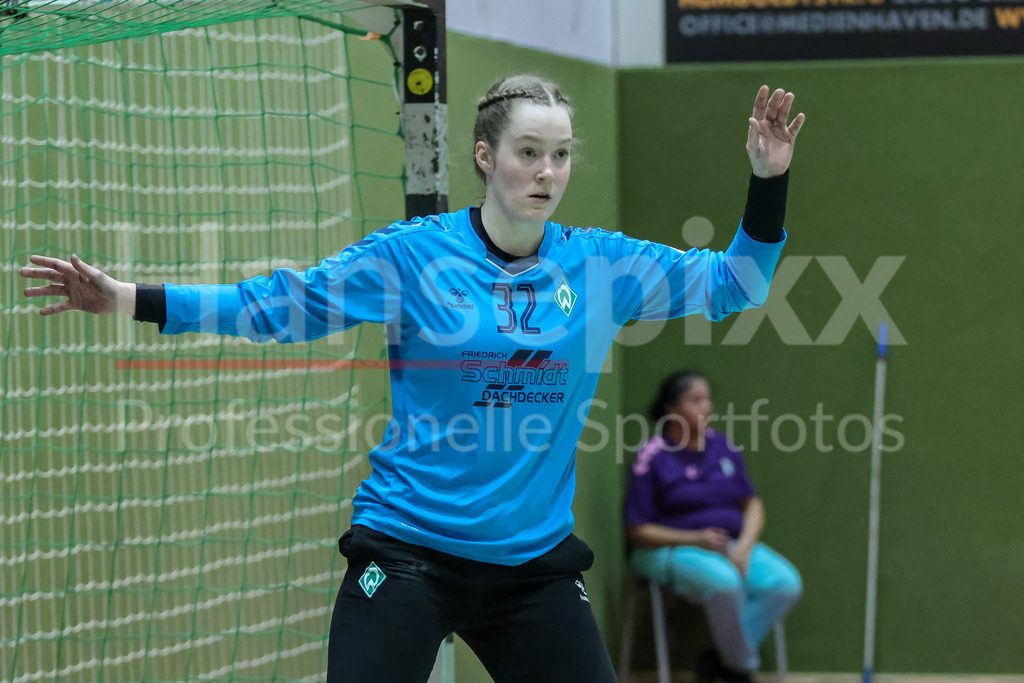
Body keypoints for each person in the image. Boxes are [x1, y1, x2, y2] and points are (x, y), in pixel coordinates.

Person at [21, 74, 804, 682]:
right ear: (485, 156)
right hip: (408, 554)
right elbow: (280, 304)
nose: (548, 171)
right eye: (529, 151)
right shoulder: (412, 256)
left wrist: (768, 181)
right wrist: (128, 298)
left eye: (561, 153)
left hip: (530, 566)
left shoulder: (601, 264)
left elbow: (738, 283)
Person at [623, 369, 803, 683]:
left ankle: (721, 661)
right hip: (672, 548)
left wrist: (745, 546)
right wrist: (696, 538)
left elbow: (753, 503)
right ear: (672, 409)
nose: (707, 407)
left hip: (729, 544)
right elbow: (637, 530)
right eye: (695, 400)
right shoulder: (652, 456)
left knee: (784, 585)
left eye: (708, 399)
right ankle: (739, 669)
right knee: (725, 582)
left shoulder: (722, 447)